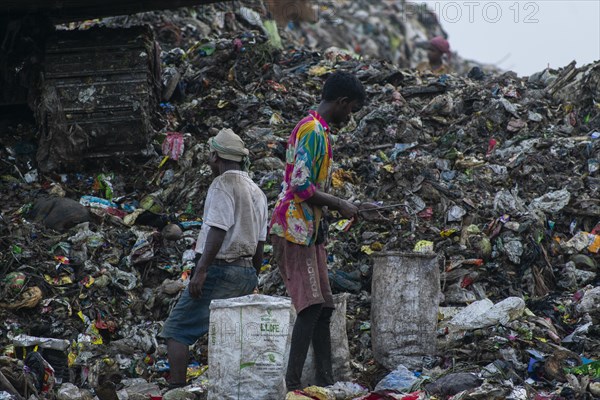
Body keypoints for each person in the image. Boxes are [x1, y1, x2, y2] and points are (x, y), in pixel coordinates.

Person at [269, 71, 366, 391]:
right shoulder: (312, 130)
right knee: (310, 306)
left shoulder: (318, 130)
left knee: (323, 307)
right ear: (341, 102)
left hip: (310, 230)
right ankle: (293, 386)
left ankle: (326, 383)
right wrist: (340, 203)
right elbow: (300, 186)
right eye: (350, 109)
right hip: (294, 228)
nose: (349, 116)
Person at [159, 128, 268, 388]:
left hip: (221, 268)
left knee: (177, 330)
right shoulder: (257, 191)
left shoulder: (223, 184)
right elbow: (261, 242)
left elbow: (218, 229)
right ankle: (231, 387)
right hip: (245, 271)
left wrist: (201, 270)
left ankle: (177, 391)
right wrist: (254, 277)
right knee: (230, 335)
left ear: (216, 156)